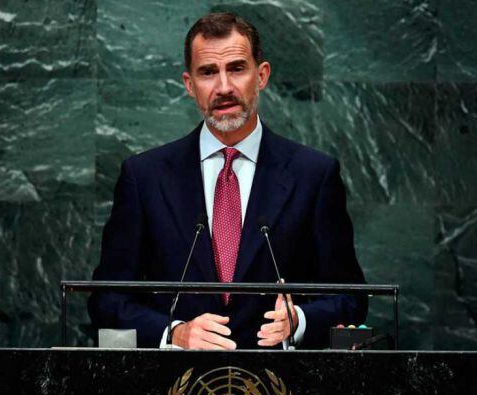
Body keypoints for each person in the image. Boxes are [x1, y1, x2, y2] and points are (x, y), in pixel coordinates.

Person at [89, 12, 367, 350]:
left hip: (283, 389)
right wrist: (174, 332)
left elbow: (351, 298)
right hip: (171, 390)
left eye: (236, 68)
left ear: (261, 76)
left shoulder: (314, 175)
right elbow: (107, 300)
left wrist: (299, 320)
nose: (223, 88)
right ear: (189, 85)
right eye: (208, 72)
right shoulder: (145, 177)